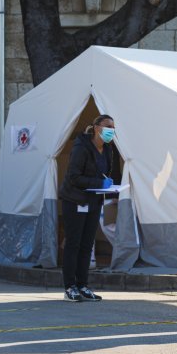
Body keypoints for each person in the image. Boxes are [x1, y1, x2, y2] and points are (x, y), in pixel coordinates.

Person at [59, 114, 115, 302]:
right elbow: (74, 177)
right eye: (108, 126)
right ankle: (69, 287)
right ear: (97, 127)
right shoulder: (81, 148)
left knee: (87, 244)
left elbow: (105, 172)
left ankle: (83, 285)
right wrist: (99, 183)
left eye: (113, 127)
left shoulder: (107, 149)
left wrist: (107, 183)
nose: (111, 131)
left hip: (93, 201)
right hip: (75, 201)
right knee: (73, 243)